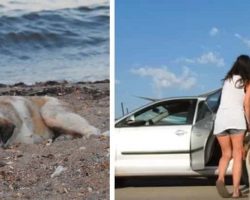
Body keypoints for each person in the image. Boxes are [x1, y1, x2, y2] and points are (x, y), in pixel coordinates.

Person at [213, 55, 250, 198]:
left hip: (221, 120)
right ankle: (236, 191)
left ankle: (220, 178)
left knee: (225, 154)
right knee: (237, 154)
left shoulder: (227, 81)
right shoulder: (247, 82)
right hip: (236, 119)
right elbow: (247, 105)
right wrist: (249, 122)